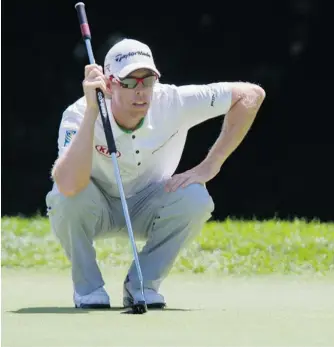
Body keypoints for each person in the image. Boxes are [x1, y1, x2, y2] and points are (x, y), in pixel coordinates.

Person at [45, 38, 266, 309]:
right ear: (110, 84)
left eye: (147, 80)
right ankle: (88, 288)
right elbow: (68, 185)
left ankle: (143, 284)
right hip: (95, 204)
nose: (141, 91)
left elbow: (251, 95)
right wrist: (93, 112)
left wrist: (211, 164)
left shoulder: (172, 101)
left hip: (147, 204)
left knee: (196, 198)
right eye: (129, 82)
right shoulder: (78, 114)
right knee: (64, 198)